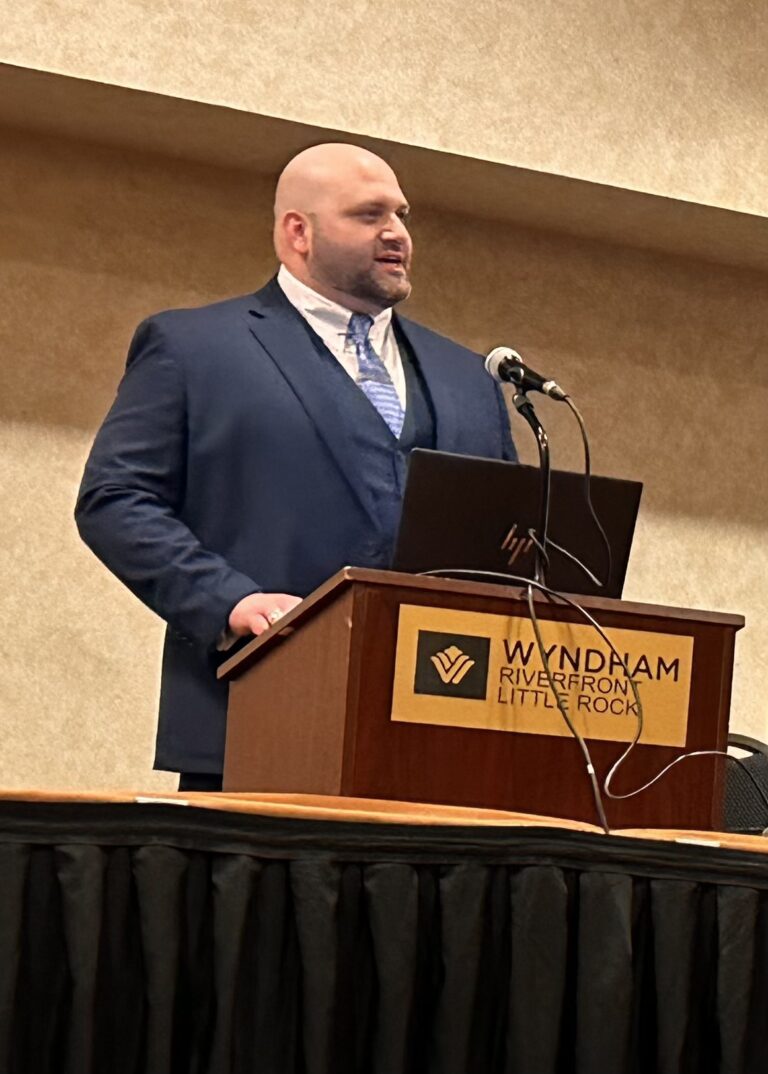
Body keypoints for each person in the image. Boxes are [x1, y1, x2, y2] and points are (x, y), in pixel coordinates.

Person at [75, 143, 516, 790]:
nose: (397, 233)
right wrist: (231, 602)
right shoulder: (195, 349)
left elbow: (505, 542)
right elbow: (115, 499)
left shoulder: (469, 378)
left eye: (401, 214)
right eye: (369, 215)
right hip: (260, 718)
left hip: (443, 746)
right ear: (297, 232)